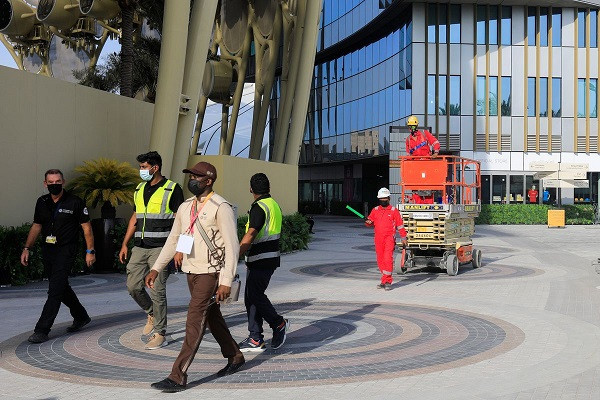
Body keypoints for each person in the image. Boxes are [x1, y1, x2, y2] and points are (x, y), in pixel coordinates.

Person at [146, 161, 244, 393]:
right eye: (190, 175)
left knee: (194, 319)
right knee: (211, 318)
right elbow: (174, 239)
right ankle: (235, 356)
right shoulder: (186, 206)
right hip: (191, 271)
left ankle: (177, 375)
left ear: (208, 181)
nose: (192, 180)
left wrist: (225, 281)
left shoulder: (221, 207)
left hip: (211, 273)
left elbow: (232, 248)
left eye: (196, 177)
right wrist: (157, 268)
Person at [20, 169, 96, 343]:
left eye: (58, 181)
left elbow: (87, 229)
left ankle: (42, 329)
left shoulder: (75, 202)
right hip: (48, 250)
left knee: (54, 290)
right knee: (61, 287)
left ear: (63, 182)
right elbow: (36, 226)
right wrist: (27, 248)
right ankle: (81, 316)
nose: (55, 185)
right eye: (51, 182)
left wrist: (90, 251)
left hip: (66, 250)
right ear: (45, 184)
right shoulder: (42, 202)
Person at [118, 151, 184, 350]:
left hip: (161, 249)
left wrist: (180, 250)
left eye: (144, 167)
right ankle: (151, 313)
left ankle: (160, 332)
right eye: (140, 167)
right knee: (133, 286)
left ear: (155, 168)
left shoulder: (172, 189)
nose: (141, 171)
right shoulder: (139, 189)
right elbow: (135, 218)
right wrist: (124, 243)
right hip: (140, 247)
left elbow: (184, 221)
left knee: (157, 290)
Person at [238, 173, 290, 352]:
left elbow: (251, 233)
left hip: (261, 259)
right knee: (251, 297)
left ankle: (278, 323)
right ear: (268, 188)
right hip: (269, 258)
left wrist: (236, 253)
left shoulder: (259, 207)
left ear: (251, 189)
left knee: (255, 296)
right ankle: (255, 337)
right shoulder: (273, 204)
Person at [365, 188, 408, 291]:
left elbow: (400, 225)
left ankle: (388, 281)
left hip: (389, 238)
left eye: (385, 198)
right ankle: (384, 280)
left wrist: (403, 237)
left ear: (389, 199)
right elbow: (369, 223)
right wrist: (368, 222)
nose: (383, 200)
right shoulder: (375, 210)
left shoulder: (394, 211)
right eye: (381, 199)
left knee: (387, 258)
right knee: (380, 260)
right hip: (378, 239)